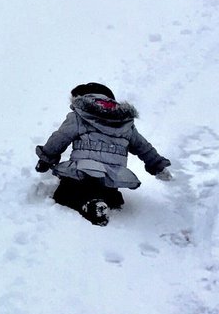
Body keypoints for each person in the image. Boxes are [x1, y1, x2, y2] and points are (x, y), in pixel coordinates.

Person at [35, 82, 172, 225]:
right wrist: (157, 165)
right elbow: (143, 147)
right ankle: (108, 200)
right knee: (108, 192)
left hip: (82, 169)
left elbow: (60, 138)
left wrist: (46, 158)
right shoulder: (125, 122)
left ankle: (91, 205)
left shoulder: (79, 116)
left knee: (64, 193)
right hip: (114, 174)